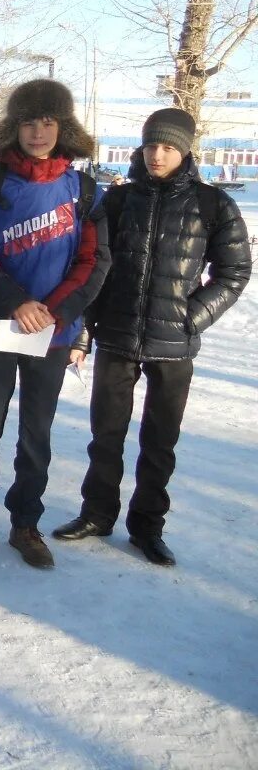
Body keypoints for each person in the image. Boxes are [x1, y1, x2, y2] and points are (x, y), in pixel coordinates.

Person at [53, 108, 251, 565]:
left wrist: (192, 316)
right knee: (106, 434)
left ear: (185, 151)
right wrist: (84, 332)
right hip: (118, 337)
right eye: (150, 146)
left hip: (174, 346)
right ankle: (97, 514)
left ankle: (147, 526)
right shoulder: (118, 203)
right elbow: (93, 271)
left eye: (167, 147)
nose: (157, 155)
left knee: (159, 441)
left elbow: (235, 271)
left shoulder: (211, 204)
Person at [0, 79, 110, 569]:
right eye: (28, 122)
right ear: (12, 128)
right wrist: (17, 302)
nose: (38, 132)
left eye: (48, 122)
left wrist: (53, 311)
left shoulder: (82, 190)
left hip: (52, 333)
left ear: (63, 128)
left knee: (36, 435)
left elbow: (93, 262)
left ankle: (25, 524)